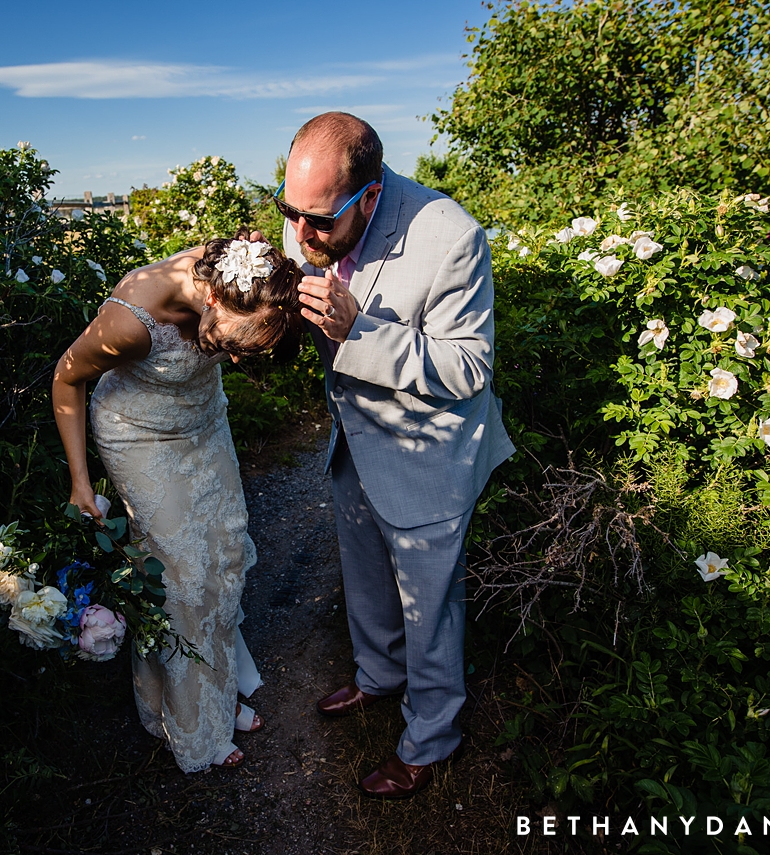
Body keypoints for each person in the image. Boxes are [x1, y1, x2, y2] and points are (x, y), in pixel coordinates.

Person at [277, 112, 515, 798]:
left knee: (429, 608)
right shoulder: (311, 219)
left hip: (429, 455)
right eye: (289, 212)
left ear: (371, 196)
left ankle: (430, 737)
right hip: (356, 437)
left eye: (317, 220)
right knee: (366, 574)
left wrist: (359, 329)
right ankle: (378, 676)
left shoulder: (451, 237)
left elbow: (469, 366)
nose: (301, 235)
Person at [52, 231, 305, 771]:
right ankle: (186, 720)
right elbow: (66, 378)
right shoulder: (133, 319)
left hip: (203, 423)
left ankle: (219, 690)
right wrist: (79, 481)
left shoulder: (248, 277)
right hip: (139, 436)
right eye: (232, 346)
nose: (235, 360)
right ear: (212, 298)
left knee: (223, 557)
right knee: (181, 578)